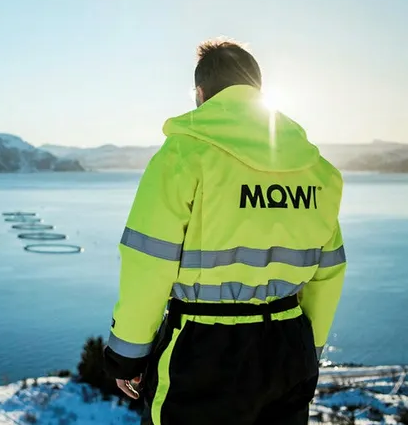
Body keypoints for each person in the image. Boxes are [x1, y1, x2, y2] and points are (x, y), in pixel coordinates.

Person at [102, 39, 347, 425]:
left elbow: (149, 261)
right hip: (289, 346)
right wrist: (308, 347)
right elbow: (329, 272)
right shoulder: (318, 171)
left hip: (203, 351)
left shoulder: (182, 156)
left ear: (200, 94)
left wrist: (128, 354)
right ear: (259, 90)